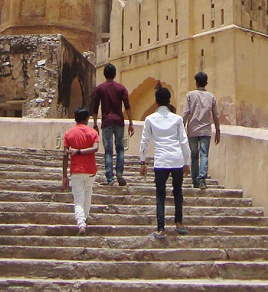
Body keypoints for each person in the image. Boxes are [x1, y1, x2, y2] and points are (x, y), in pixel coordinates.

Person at [139, 85, 190, 239]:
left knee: (160, 194)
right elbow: (184, 141)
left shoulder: (150, 119)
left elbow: (144, 141)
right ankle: (179, 223)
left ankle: (161, 229)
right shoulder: (177, 119)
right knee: (178, 192)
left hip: (161, 161)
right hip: (176, 159)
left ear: (156, 101)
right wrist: (186, 162)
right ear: (169, 101)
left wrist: (142, 162)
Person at [90, 63, 133, 186]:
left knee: (108, 151)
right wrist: (131, 123)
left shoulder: (100, 88)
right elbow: (127, 106)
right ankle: (119, 173)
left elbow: (95, 107)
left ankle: (110, 178)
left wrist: (95, 124)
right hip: (119, 122)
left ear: (104, 74)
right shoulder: (121, 88)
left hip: (107, 122)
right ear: (115, 74)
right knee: (120, 148)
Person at [61, 107, 100, 235]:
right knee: (87, 195)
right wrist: (81, 151)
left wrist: (64, 176)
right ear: (87, 119)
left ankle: (81, 223)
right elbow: (95, 148)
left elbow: (65, 155)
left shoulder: (69, 133)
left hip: (76, 170)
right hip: (90, 170)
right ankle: (85, 219)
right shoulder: (92, 132)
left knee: (78, 198)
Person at [182, 71, 221, 189]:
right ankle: (202, 179)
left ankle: (195, 180)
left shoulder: (190, 95)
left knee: (194, 156)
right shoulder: (211, 96)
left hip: (193, 130)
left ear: (196, 83)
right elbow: (216, 115)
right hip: (206, 130)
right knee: (204, 154)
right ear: (206, 83)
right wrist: (218, 131)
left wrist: (181, 128)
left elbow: (186, 113)